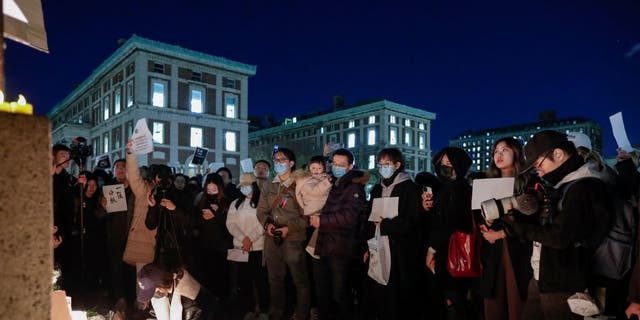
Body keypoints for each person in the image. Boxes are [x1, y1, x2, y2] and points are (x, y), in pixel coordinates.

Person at [500, 130, 611, 320]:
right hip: (542, 276)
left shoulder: (585, 187)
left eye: (538, 165)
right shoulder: (563, 185)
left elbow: (560, 237)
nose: (538, 171)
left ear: (558, 154)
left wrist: (519, 227)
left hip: (565, 285)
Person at [475, 137, 538, 320]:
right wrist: (485, 225)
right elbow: (479, 214)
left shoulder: (528, 182)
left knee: (517, 299)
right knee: (494, 301)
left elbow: (534, 220)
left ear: (516, 153)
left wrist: (502, 232)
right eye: (496, 151)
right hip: (492, 250)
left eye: (505, 150)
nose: (499, 155)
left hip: (518, 249)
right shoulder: (486, 182)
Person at [362, 147, 423, 320]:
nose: (383, 168)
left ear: (397, 165)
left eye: (387, 164)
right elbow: (368, 218)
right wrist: (366, 244)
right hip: (377, 245)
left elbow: (413, 219)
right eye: (380, 164)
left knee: (396, 292)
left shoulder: (409, 187)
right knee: (376, 288)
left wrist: (387, 225)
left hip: (399, 249)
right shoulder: (376, 189)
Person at [310, 148, 367, 320]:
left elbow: (349, 217)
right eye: (334, 163)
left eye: (341, 164)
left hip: (341, 249)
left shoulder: (354, 187)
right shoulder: (333, 183)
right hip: (325, 244)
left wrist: (322, 221)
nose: (336, 167)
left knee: (340, 293)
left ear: (350, 166)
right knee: (323, 291)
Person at [257, 147, 311, 320]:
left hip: (293, 238)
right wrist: (267, 225)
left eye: (282, 159)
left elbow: (307, 217)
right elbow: (261, 210)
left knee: (299, 280)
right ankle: (277, 314)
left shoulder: (302, 183)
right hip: (272, 239)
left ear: (291, 163)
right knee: (274, 279)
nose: (278, 162)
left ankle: (302, 314)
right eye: (276, 159)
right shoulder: (268, 184)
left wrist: (289, 228)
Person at [425, 147, 475, 320]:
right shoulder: (446, 188)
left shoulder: (459, 189)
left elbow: (450, 222)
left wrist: (432, 248)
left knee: (453, 298)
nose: (444, 167)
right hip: (446, 250)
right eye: (442, 163)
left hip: (453, 251)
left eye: (449, 163)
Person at [225, 173, 270, 320]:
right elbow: (230, 224)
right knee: (244, 281)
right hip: (240, 248)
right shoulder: (236, 203)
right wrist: (243, 238)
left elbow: (262, 223)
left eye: (247, 185)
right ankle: (249, 308)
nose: (245, 189)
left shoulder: (262, 203)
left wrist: (250, 239)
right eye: (242, 186)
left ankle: (264, 309)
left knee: (260, 280)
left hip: (257, 247)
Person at [194, 173, 233, 301]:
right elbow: (196, 222)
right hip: (205, 246)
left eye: (214, 190)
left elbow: (230, 226)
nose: (211, 193)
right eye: (208, 190)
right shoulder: (202, 201)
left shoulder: (227, 203)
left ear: (220, 189)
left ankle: (223, 302)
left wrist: (216, 214)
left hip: (221, 247)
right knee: (207, 275)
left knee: (221, 276)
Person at [137, 262, 218, 320]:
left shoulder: (188, 299)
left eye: (154, 289)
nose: (154, 293)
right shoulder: (159, 294)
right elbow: (155, 315)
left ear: (160, 286)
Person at [295, 155, 332, 259]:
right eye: (313, 168)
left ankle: (315, 247)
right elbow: (314, 191)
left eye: (319, 168)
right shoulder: (305, 180)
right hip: (314, 207)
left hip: (320, 206)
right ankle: (313, 247)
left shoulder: (323, 177)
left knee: (321, 227)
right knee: (321, 226)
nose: (316, 170)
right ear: (309, 168)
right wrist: (328, 182)